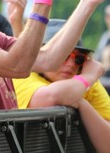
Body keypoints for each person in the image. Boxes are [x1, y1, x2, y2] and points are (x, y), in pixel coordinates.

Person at [13, 19, 110, 153]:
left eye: (78, 59)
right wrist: (87, 78)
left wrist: (82, 104)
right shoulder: (23, 74)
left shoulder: (84, 82)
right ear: (41, 54)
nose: (71, 64)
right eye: (64, 55)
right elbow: (50, 98)